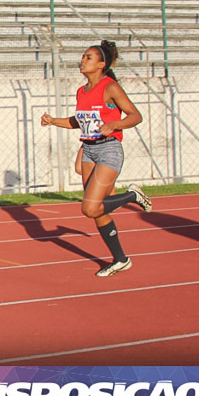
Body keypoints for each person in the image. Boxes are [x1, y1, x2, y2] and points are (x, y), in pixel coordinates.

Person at [40, 40, 153, 277]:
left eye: (88, 57)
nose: (82, 60)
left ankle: (133, 195)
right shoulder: (82, 91)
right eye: (82, 56)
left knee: (90, 208)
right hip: (89, 150)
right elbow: (78, 122)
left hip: (109, 149)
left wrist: (114, 124)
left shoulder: (110, 87)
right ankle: (120, 259)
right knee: (99, 211)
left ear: (101, 64)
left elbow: (135, 116)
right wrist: (53, 121)